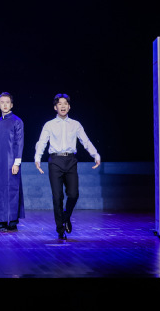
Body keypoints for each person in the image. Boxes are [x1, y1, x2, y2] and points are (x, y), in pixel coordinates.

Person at [34, 93, 101, 240]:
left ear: (69, 107)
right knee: (57, 196)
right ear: (55, 107)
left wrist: (95, 155)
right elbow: (42, 142)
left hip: (70, 160)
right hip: (55, 161)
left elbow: (85, 141)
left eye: (65, 103)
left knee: (73, 194)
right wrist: (37, 158)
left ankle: (66, 216)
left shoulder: (75, 124)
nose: (63, 106)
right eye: (60, 103)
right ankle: (60, 229)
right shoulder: (49, 124)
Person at [0, 92, 24, 232]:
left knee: (12, 190)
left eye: (7, 102)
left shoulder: (17, 121)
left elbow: (19, 142)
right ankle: (1, 221)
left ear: (12, 105)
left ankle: (12, 221)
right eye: (2, 102)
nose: (5, 104)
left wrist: (17, 163)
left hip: (11, 161)